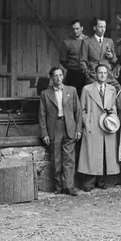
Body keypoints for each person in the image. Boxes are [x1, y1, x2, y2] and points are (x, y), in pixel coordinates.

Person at [38, 67, 82, 195]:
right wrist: (44, 133)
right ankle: (58, 187)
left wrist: (78, 129)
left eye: (60, 75)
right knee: (56, 158)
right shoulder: (45, 94)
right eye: (55, 76)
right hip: (54, 126)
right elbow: (42, 115)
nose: (58, 78)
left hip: (69, 126)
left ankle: (69, 187)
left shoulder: (71, 90)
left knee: (69, 159)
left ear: (63, 76)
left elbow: (78, 111)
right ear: (52, 78)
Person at [78, 64, 120, 191]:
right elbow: (82, 109)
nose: (102, 75)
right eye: (100, 72)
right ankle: (89, 182)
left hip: (106, 124)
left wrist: (112, 112)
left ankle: (101, 181)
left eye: (105, 73)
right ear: (95, 74)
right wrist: (87, 122)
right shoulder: (87, 89)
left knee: (105, 152)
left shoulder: (112, 89)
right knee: (91, 153)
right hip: (93, 124)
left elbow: (114, 106)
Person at [80, 17, 116, 84]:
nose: (103, 30)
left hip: (107, 75)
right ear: (94, 28)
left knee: (118, 87)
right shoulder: (87, 42)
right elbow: (82, 62)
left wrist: (111, 56)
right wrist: (88, 75)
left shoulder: (109, 41)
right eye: (100, 27)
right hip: (93, 75)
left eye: (104, 27)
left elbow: (114, 60)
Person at [60, 19, 88, 97]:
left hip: (88, 73)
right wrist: (72, 67)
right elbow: (62, 60)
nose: (75, 31)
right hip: (73, 74)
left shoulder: (89, 40)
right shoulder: (67, 43)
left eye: (77, 28)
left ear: (82, 28)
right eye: (73, 29)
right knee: (72, 97)